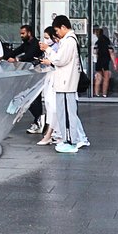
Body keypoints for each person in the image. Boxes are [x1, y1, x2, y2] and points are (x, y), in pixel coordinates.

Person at [43, 15, 87, 153]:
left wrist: (48, 50)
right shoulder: (68, 40)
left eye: (57, 30)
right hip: (64, 82)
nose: (56, 34)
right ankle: (68, 140)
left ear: (63, 27)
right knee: (64, 112)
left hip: (66, 82)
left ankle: (71, 141)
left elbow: (60, 59)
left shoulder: (69, 41)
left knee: (67, 113)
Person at [92, 27, 114, 97]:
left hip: (99, 60)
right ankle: (104, 93)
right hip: (106, 61)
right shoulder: (107, 41)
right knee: (106, 78)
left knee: (98, 77)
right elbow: (111, 52)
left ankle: (96, 93)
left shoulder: (97, 42)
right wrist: (114, 62)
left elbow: (94, 52)